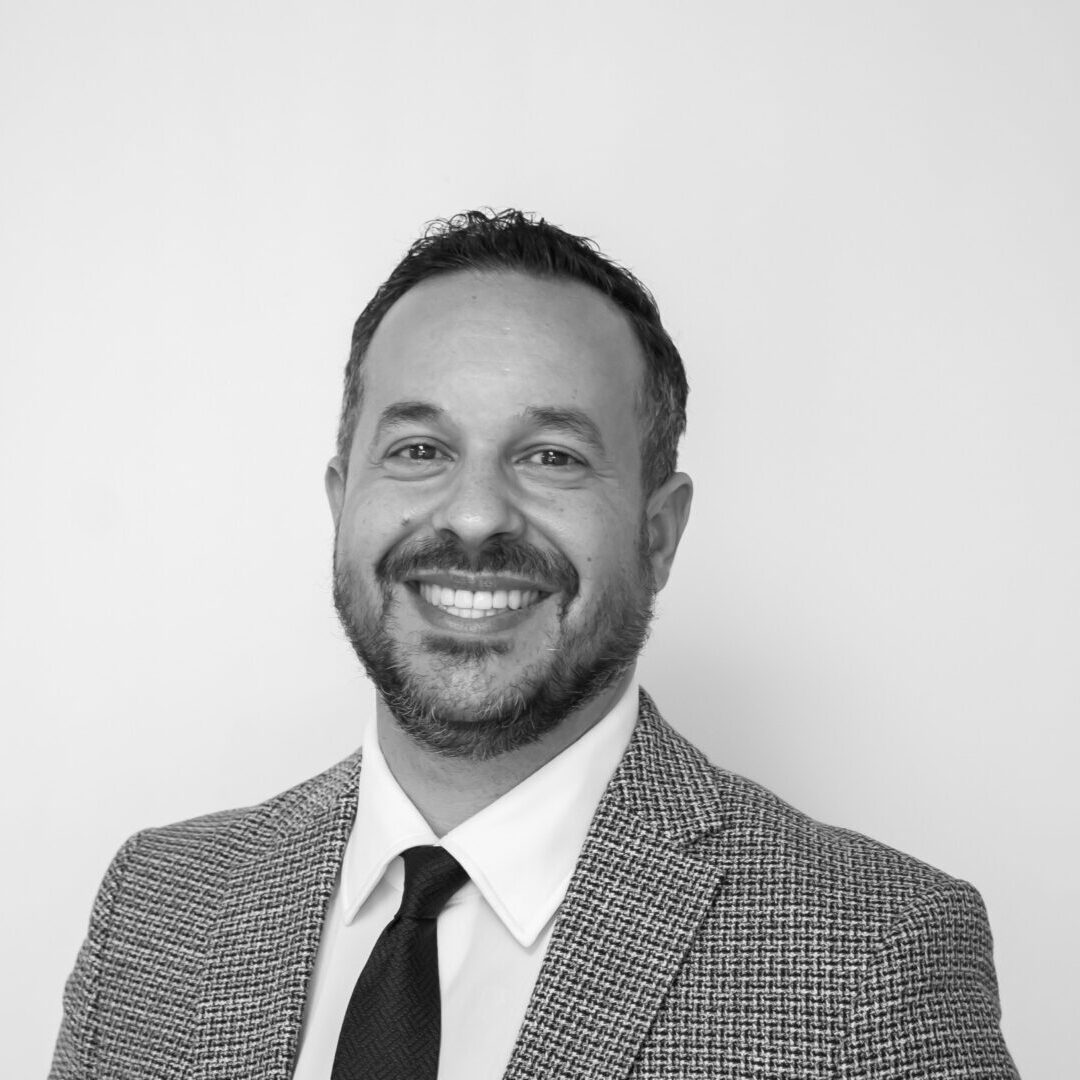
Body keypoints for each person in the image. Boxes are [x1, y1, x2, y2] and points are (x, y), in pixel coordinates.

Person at [51, 209, 1019, 1079]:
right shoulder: (156, 909)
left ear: (659, 532)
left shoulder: (876, 949)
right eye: (420, 450)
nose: (473, 517)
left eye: (551, 457)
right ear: (342, 501)